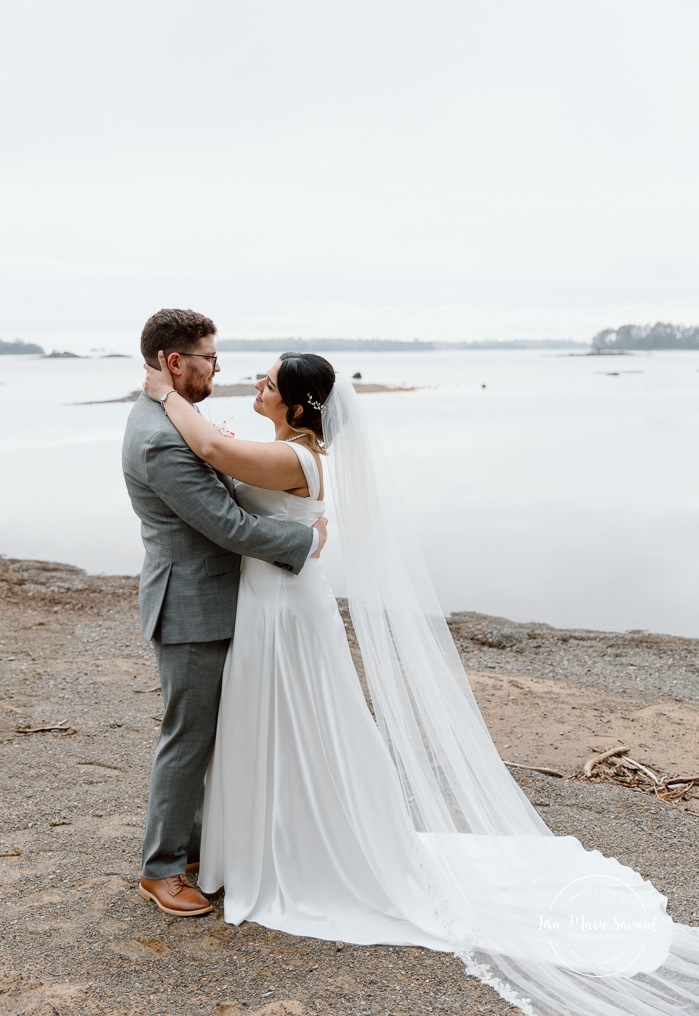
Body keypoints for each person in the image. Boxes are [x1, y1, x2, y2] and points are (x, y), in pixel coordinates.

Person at [143, 351, 699, 1016]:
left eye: (268, 383)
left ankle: (295, 849)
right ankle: (263, 842)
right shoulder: (283, 450)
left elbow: (205, 444)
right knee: (275, 724)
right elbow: (228, 459)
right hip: (271, 604)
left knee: (303, 724)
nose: (256, 386)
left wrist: (161, 392)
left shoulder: (293, 459)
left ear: (299, 407)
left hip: (283, 612)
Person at [122, 310, 327, 917]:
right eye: (210, 357)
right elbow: (226, 524)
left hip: (216, 599)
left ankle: (190, 850)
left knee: (208, 734)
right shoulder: (161, 436)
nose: (219, 367)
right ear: (174, 362)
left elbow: (220, 464)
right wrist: (306, 542)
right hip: (189, 603)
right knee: (187, 739)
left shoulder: (166, 414)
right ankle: (161, 871)